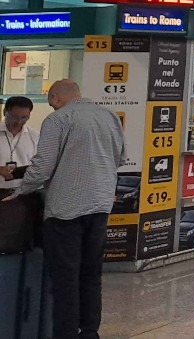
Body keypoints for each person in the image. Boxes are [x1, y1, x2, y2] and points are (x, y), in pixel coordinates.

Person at [3, 80, 123, 339]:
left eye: (51, 103)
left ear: (56, 98)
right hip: (100, 206)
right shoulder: (109, 116)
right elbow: (121, 157)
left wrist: (20, 191)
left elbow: (43, 166)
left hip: (66, 211)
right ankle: (89, 332)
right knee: (91, 273)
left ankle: (65, 334)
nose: (52, 107)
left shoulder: (58, 119)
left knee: (65, 277)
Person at [0, 96, 38, 191]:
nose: (19, 122)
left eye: (24, 117)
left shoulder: (35, 136)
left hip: (25, 190)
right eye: (14, 117)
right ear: (5, 112)